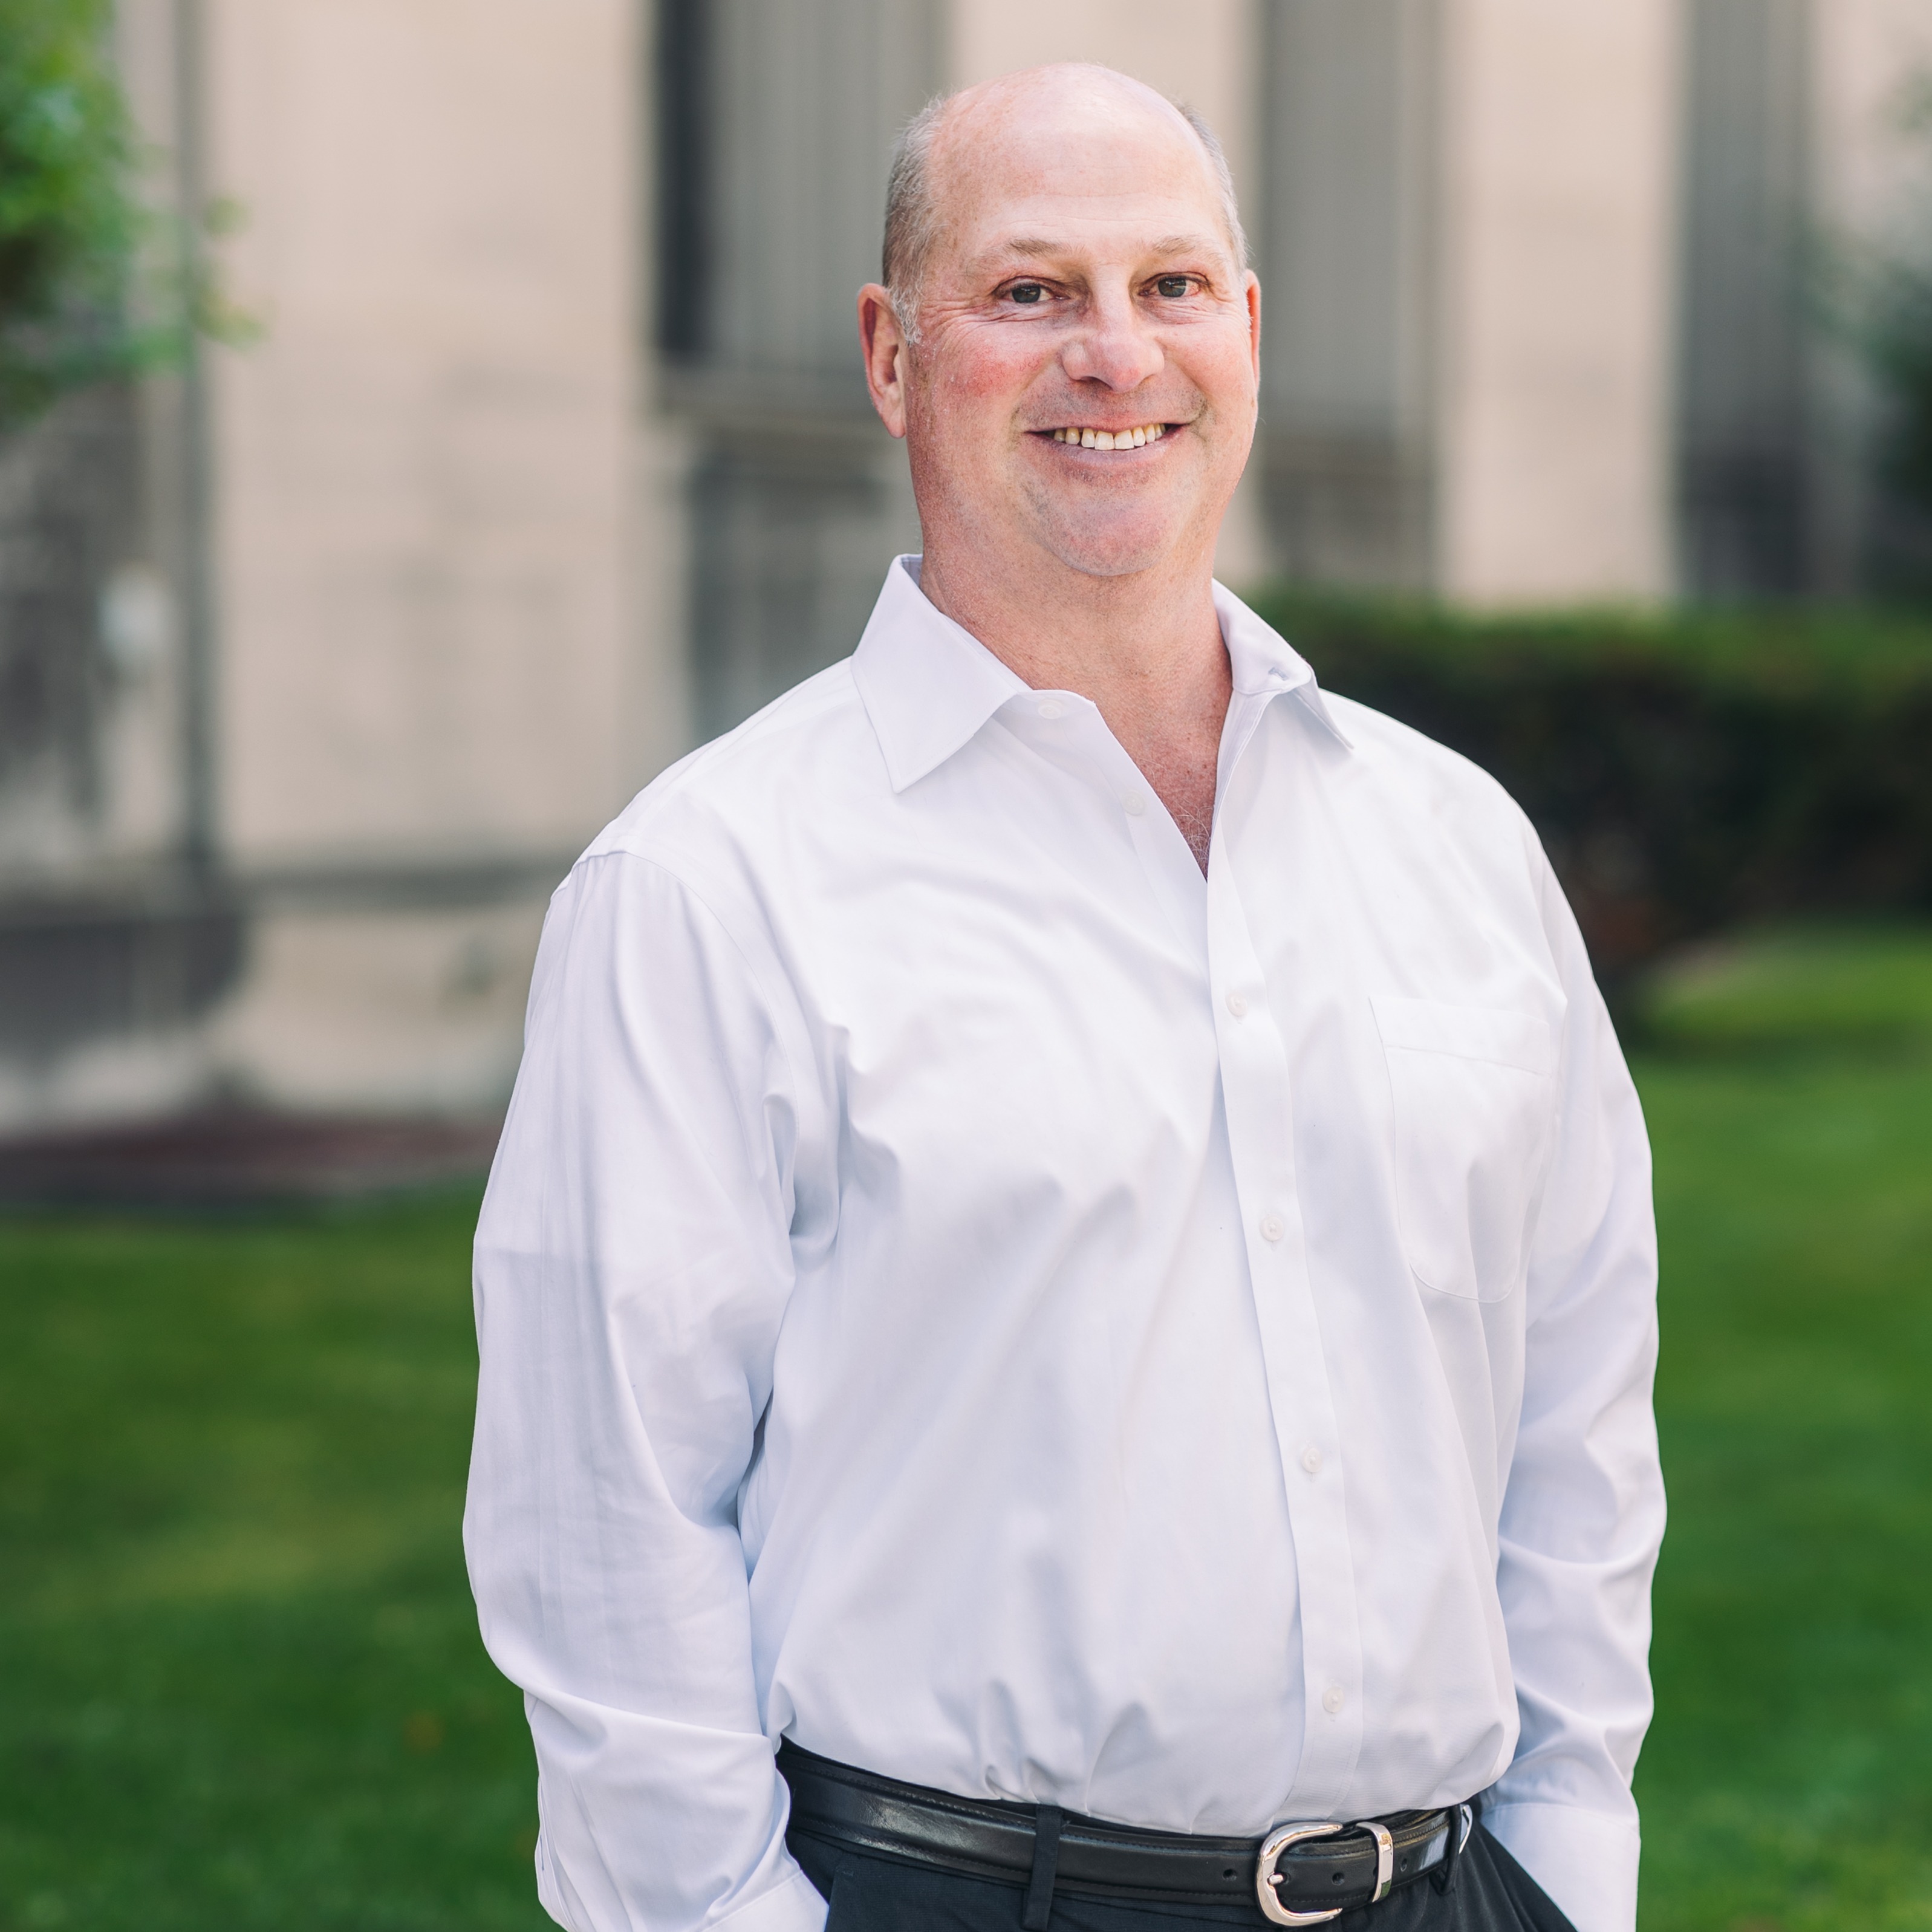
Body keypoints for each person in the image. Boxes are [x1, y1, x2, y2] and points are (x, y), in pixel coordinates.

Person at [464, 62, 1664, 1932]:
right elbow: (602, 1524)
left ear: (1243, 334)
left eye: (1170, 286)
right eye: (1030, 292)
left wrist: (1569, 1861)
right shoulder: (710, 883)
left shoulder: (1454, 843)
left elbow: (1576, 1411)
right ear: (890, 352)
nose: (1116, 354)